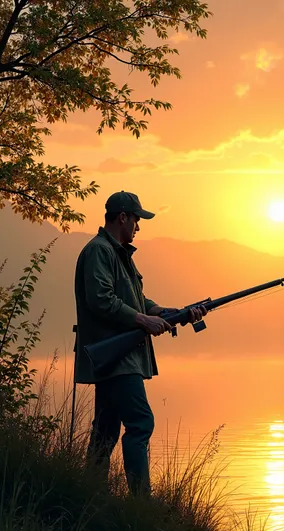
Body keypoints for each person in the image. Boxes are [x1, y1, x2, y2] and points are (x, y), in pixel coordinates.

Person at [74, 191, 206, 494]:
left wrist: (165, 312)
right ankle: (141, 504)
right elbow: (101, 300)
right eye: (136, 219)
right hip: (117, 359)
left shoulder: (118, 253)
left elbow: (135, 298)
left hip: (116, 358)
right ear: (123, 217)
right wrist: (144, 321)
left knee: (106, 430)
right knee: (141, 423)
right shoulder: (99, 251)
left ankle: (89, 494)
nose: (138, 227)